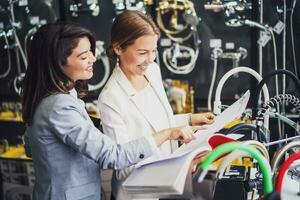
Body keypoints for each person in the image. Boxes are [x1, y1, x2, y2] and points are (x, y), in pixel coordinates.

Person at [21, 22, 199, 200]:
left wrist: (187, 121)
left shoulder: (55, 98)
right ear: (57, 63)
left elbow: (34, 147)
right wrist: (168, 133)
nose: (93, 59)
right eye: (83, 56)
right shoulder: (58, 107)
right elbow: (113, 156)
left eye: (91, 51)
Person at [98, 10, 215, 200]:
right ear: (118, 48)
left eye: (154, 51)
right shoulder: (111, 98)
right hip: (138, 195)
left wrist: (190, 119)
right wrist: (180, 159)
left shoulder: (152, 71)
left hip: (168, 188)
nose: (150, 59)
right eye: (142, 52)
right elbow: (122, 167)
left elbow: (154, 122)